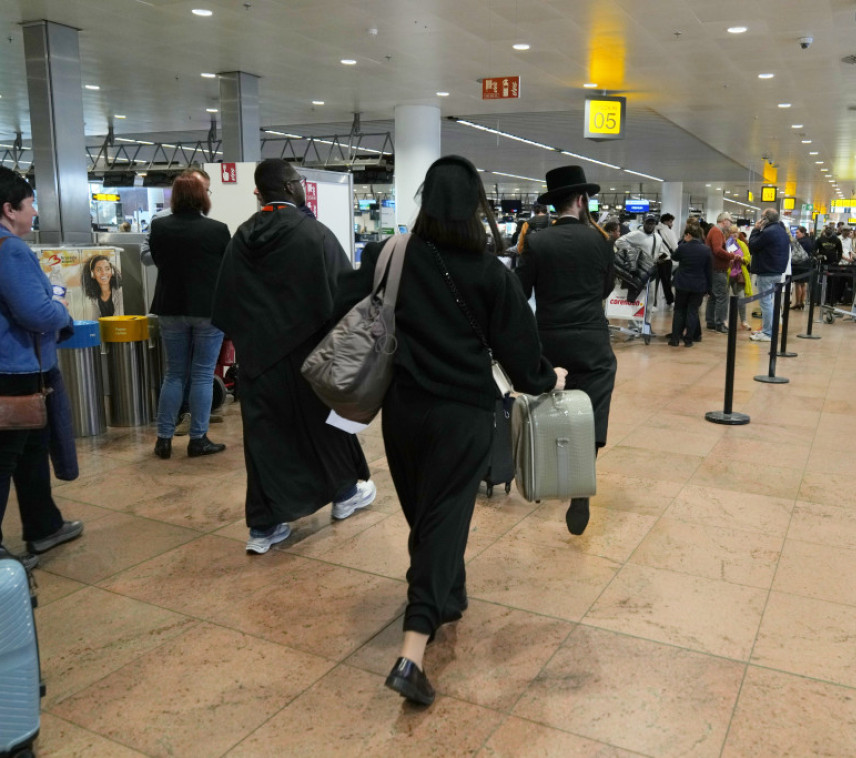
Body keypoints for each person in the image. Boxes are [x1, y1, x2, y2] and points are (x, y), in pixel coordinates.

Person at [337, 155, 564, 708]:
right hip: (462, 416)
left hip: (403, 412)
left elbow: (346, 303)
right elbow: (522, 355)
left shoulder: (391, 255)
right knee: (441, 521)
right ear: (476, 207)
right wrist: (548, 377)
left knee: (426, 514)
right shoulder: (491, 274)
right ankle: (413, 652)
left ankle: (448, 595)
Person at [211, 158, 375, 555]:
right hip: (309, 358)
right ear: (287, 187)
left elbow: (224, 303)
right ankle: (344, 495)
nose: (302, 187)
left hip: (257, 362)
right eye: (300, 181)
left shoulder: (241, 238)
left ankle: (265, 527)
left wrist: (253, 341)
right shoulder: (313, 234)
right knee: (325, 431)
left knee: (266, 443)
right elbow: (343, 296)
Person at [518, 164, 616, 536]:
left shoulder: (537, 242)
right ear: (581, 199)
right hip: (591, 339)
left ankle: (546, 474)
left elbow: (520, 292)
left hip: (550, 339)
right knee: (592, 410)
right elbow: (606, 289)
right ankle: (581, 480)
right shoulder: (601, 242)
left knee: (550, 405)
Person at [0, 167, 83, 570]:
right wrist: (59, 307)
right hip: (15, 369)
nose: (34, 212)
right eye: (30, 204)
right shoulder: (10, 249)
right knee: (6, 458)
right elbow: (34, 312)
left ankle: (44, 524)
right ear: (9, 209)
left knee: (31, 451)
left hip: (15, 366)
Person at [149, 174, 231, 459]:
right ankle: (198, 439)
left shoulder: (159, 228)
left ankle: (163, 439)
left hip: (170, 307)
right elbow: (225, 269)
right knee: (202, 374)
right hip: (207, 310)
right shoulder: (218, 230)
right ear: (202, 197)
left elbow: (159, 262)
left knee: (173, 373)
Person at [747, 207, 790, 343]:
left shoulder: (767, 232)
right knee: (769, 303)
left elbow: (752, 246)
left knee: (765, 303)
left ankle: (768, 332)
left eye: (761, 217)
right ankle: (768, 330)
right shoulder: (782, 231)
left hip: (766, 271)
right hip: (777, 271)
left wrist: (754, 230)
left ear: (765, 219)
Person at [668, 219, 712, 347]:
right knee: (692, 312)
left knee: (679, 311)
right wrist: (709, 289)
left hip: (682, 284)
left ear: (688, 235)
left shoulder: (683, 247)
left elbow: (674, 257)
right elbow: (708, 271)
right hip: (698, 285)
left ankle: (675, 339)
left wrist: (683, 242)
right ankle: (688, 340)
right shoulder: (706, 250)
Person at [616, 214, 673, 309]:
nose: (650, 225)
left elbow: (658, 250)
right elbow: (619, 242)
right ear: (644, 223)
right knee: (637, 300)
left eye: (652, 223)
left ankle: (647, 322)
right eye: (648, 223)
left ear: (655, 224)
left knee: (650, 299)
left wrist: (660, 256)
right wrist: (632, 250)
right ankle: (634, 324)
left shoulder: (657, 237)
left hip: (652, 271)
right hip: (640, 271)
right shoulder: (637, 234)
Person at [705, 212, 740, 332]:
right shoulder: (716, 232)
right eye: (730, 221)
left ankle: (710, 321)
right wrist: (731, 256)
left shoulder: (715, 231)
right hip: (718, 270)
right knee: (722, 296)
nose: (730, 224)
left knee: (714, 296)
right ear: (724, 220)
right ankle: (720, 322)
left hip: (715, 268)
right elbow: (718, 250)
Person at [82, 253, 124, 319]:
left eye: (107, 269)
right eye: (99, 270)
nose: (103, 273)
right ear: (92, 273)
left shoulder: (120, 292)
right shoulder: (95, 297)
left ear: (112, 271)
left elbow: (118, 319)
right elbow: (95, 321)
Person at [727, 225, 753, 329]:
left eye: (736, 232)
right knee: (724, 299)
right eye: (732, 232)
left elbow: (747, 258)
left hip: (739, 275)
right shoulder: (726, 244)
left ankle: (744, 321)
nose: (734, 234)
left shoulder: (742, 244)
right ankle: (724, 321)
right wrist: (730, 259)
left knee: (741, 298)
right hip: (727, 275)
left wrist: (741, 259)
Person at [792, 226, 816, 310]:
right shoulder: (810, 240)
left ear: (803, 233)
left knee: (797, 283)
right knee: (803, 284)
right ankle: (802, 302)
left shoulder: (799, 242)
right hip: (807, 264)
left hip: (799, 265)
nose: (796, 234)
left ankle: (797, 302)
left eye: (798, 232)